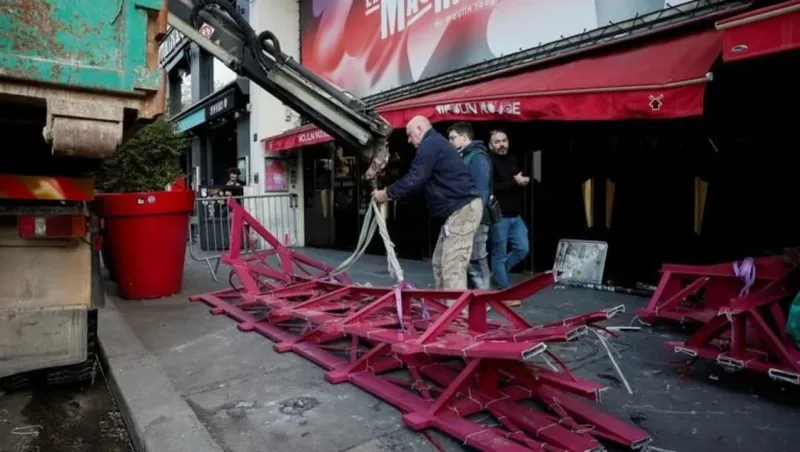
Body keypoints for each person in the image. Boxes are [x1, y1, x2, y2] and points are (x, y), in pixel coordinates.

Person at [372, 116, 482, 291]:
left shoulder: (429, 145)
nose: (408, 140)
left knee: (452, 266)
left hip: (462, 209)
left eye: (410, 135)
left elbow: (415, 179)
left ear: (420, 129)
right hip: (457, 211)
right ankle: (445, 307)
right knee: (440, 263)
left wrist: (386, 193)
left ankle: (457, 315)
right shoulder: (435, 144)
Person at [447, 122, 492, 290]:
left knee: (477, 257)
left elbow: (482, 191)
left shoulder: (477, 157)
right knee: (469, 257)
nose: (450, 141)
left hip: (476, 217)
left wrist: (474, 218)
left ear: (464, 137)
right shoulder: (465, 155)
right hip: (468, 215)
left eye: (452, 138)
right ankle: (476, 296)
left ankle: (483, 299)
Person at [489, 130, 530, 302]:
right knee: (498, 254)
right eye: (497, 142)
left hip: (516, 214)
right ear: (491, 145)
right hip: (499, 216)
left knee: (522, 248)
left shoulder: (513, 159)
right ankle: (504, 292)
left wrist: (521, 181)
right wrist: (514, 182)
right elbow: (491, 188)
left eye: (504, 140)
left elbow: (513, 182)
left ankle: (498, 274)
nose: (501, 145)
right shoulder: (488, 162)